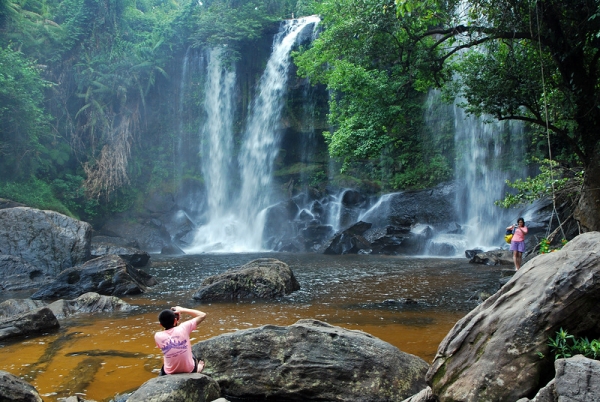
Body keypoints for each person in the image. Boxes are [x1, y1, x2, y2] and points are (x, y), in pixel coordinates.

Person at [155, 306, 207, 375]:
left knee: (166, 354)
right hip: (190, 370)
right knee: (191, 353)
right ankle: (197, 369)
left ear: (161, 324)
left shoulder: (157, 336)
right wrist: (182, 310)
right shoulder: (184, 327)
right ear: (176, 320)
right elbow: (202, 315)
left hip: (169, 373)